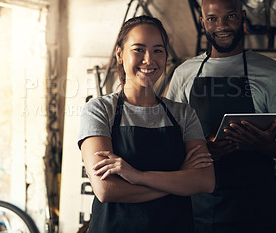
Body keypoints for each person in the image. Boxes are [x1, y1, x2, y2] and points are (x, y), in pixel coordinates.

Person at [167, 0, 276, 233]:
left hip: (255, 206)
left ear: (243, 17)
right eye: (212, 18)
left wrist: (264, 145)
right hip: (200, 205)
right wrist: (204, 150)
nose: (222, 25)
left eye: (230, 16)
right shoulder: (184, 74)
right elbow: (169, 144)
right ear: (202, 22)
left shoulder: (272, 72)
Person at [78, 15, 215, 233]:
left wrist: (137, 176)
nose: (149, 60)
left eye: (158, 50)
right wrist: (178, 181)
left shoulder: (183, 114)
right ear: (120, 54)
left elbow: (205, 181)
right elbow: (105, 189)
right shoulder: (100, 110)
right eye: (138, 49)